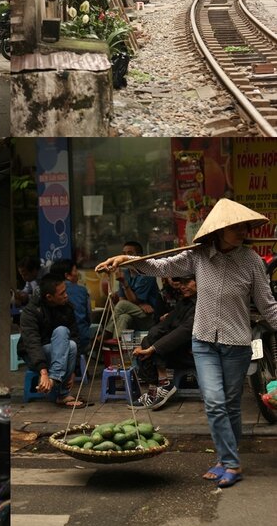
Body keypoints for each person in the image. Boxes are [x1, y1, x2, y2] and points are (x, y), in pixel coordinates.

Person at [96, 198, 277, 489]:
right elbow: (158, 266)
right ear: (219, 230)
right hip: (203, 341)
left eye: (244, 226)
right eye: (235, 226)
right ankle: (232, 463)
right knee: (215, 402)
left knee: (230, 405)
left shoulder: (252, 262)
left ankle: (224, 459)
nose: (242, 230)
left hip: (237, 344)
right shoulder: (198, 256)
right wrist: (126, 262)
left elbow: (269, 308)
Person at [17, 273, 85, 408]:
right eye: (62, 293)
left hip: (61, 351)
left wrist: (73, 370)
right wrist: (43, 371)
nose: (66, 295)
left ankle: (56, 383)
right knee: (62, 332)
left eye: (66, 291)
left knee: (69, 342)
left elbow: (75, 337)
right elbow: (32, 344)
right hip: (35, 355)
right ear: (49, 297)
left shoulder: (67, 307)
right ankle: (62, 392)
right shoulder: (30, 312)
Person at [132, 276, 197, 410]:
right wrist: (150, 343)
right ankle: (156, 387)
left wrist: (153, 348)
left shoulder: (202, 305)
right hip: (177, 350)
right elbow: (164, 325)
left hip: (193, 353)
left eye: (186, 282)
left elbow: (184, 331)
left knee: (155, 347)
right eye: (181, 283)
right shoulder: (183, 302)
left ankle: (161, 385)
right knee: (149, 339)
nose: (182, 286)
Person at [103, 241, 160, 337]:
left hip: (148, 317)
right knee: (123, 317)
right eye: (124, 254)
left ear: (139, 256)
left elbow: (132, 301)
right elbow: (123, 300)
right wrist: (138, 304)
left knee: (122, 305)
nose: (125, 258)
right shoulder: (125, 273)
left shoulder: (147, 273)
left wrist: (124, 283)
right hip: (133, 314)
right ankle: (116, 347)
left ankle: (106, 333)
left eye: (129, 254)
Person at [50, 258, 91, 354]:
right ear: (67, 275)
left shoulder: (51, 293)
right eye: (75, 270)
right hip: (81, 338)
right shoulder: (82, 290)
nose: (77, 273)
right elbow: (88, 316)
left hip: (60, 340)